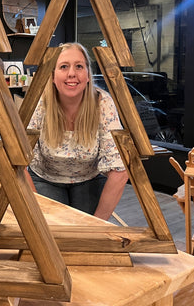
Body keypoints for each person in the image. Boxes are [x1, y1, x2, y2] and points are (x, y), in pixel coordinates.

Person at [26, 42, 128, 220]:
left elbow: (121, 169)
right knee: (54, 234)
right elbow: (17, 162)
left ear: (88, 75)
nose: (72, 73)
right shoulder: (39, 102)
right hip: (45, 177)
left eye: (79, 66)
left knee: (84, 235)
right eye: (64, 66)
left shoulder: (102, 103)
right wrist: (38, 218)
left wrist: (96, 226)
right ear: (52, 75)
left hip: (89, 178)